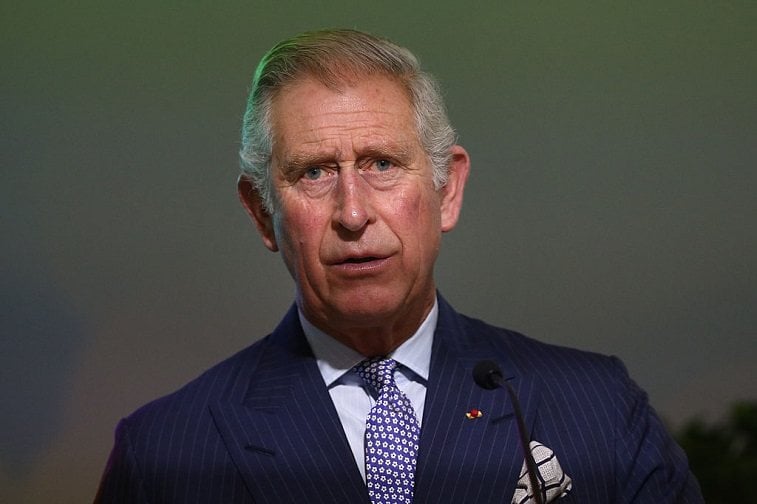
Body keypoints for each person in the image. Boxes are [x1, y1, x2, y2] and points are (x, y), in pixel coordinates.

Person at [95, 29, 703, 503]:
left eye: (382, 164)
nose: (353, 212)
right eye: (314, 172)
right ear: (261, 212)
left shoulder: (599, 410)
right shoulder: (164, 455)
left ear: (448, 190)